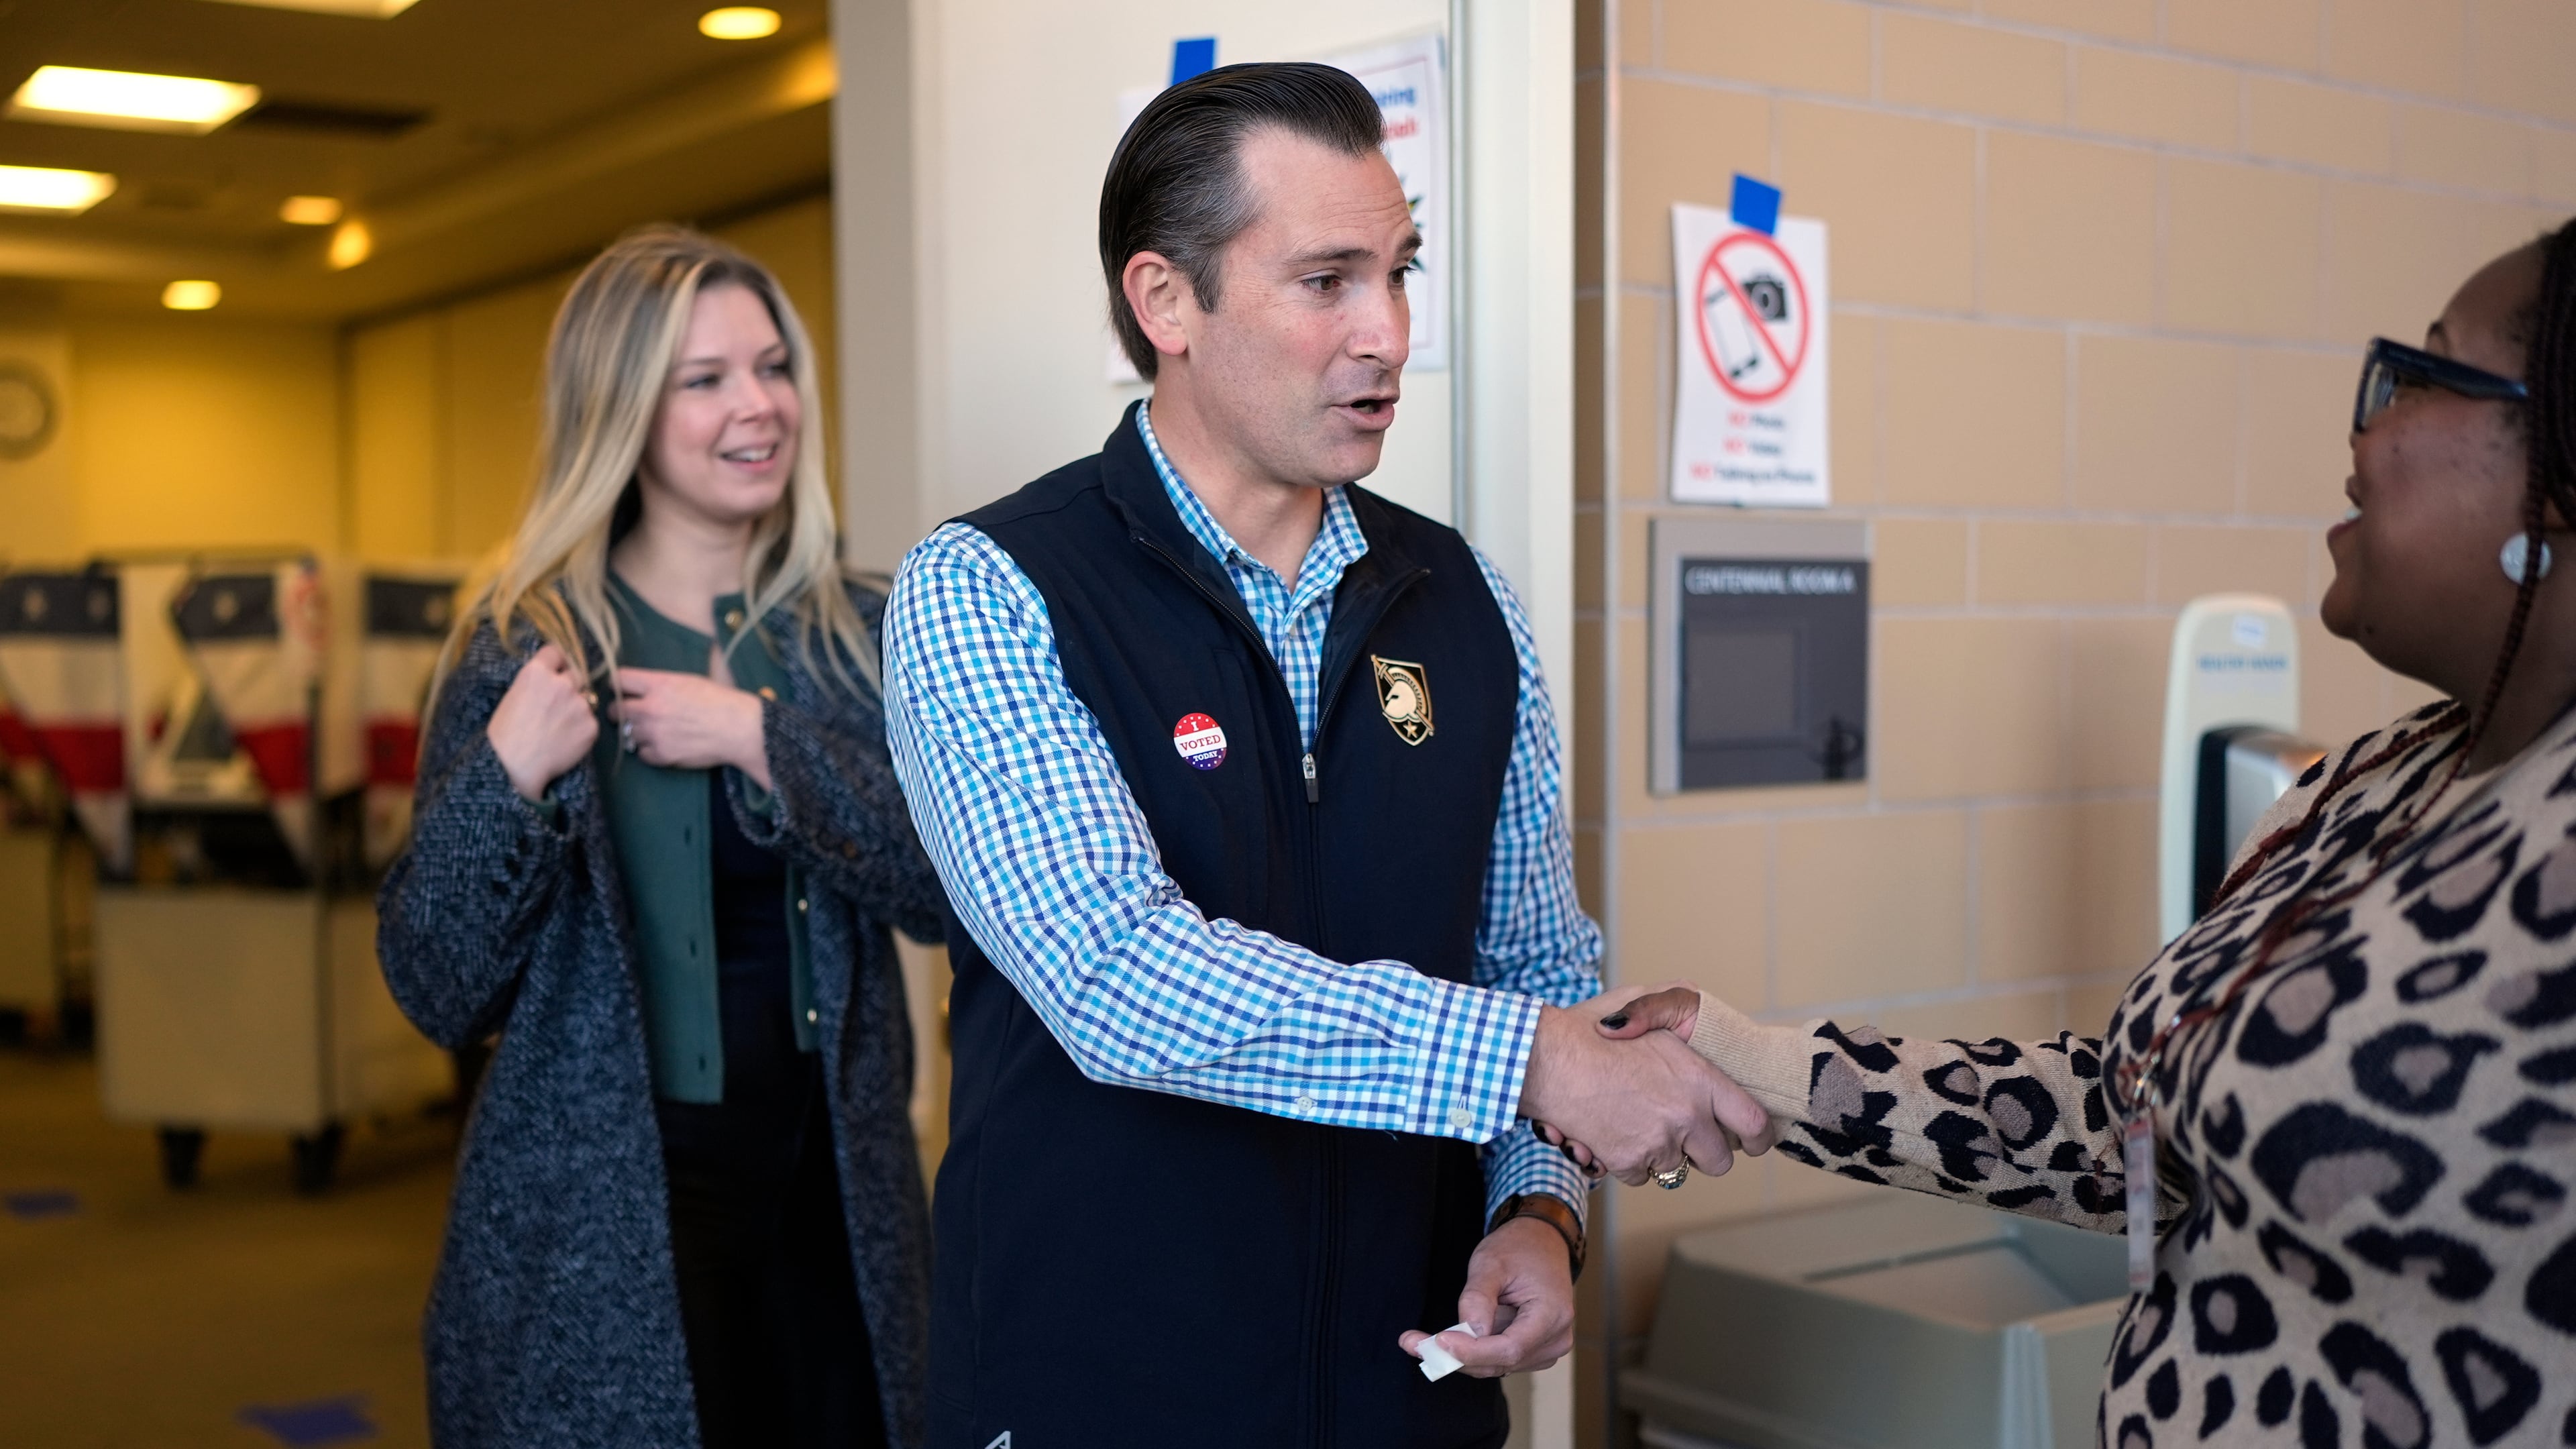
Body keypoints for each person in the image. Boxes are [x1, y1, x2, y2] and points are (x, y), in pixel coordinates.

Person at [1561, 222, 2576, 1448]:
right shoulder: (2374, 780)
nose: (2362, 430)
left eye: (2424, 376)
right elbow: (2123, 1125)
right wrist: (1754, 1060)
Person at [879, 62, 1770, 1448]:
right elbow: (1117, 975)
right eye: (1327, 280)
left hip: (1399, 1390)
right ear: (1165, 301)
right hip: (1100, 1390)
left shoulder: (1466, 606)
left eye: (1400, 273)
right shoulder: (991, 588)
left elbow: (1532, 964)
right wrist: (1534, 1064)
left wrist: (1537, 1211)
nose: (1388, 333)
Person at [378, 225, 946, 1449]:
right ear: (622, 410)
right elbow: (434, 985)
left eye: (774, 366)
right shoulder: (523, 641)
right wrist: (509, 779)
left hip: (835, 1209)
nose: (760, 406)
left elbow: (948, 890)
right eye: (706, 380)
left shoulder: (860, 629)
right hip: (592, 1223)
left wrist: (762, 738)